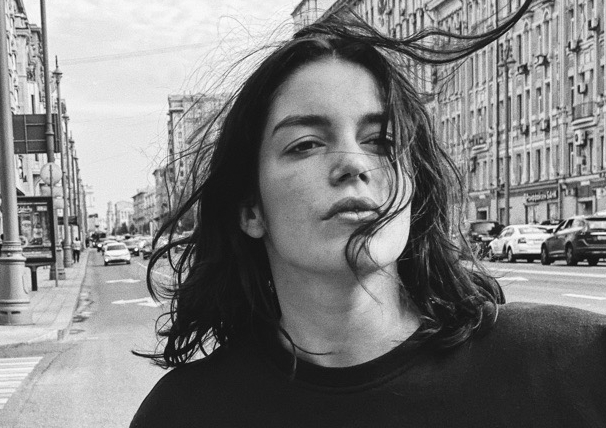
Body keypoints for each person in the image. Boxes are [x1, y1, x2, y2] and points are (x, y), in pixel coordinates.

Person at [131, 2, 606, 427]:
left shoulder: (573, 363)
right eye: (306, 144)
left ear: (413, 185)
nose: (354, 164)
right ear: (250, 209)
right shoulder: (185, 413)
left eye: (381, 141)